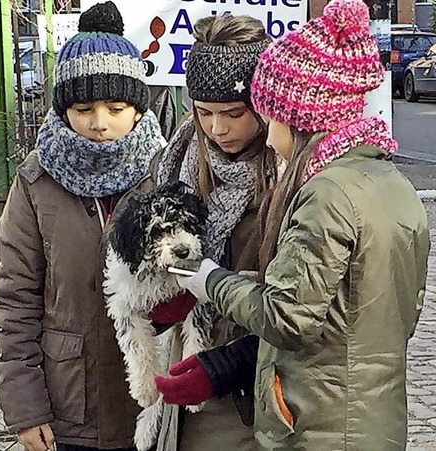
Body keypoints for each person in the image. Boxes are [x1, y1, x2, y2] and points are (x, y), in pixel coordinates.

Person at [172, 0, 430, 449]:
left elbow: (287, 318)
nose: (270, 138)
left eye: (271, 119)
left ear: (305, 121)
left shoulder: (327, 193)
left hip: (323, 423)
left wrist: (210, 280)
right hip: (367, 414)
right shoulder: (388, 180)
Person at [0, 2, 166, 451]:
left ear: (137, 107)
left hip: (158, 403)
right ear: (64, 110)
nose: (100, 123)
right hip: (70, 409)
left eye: (116, 106)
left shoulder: (166, 172)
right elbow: (15, 299)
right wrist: (26, 409)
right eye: (84, 107)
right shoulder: (36, 181)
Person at [146, 13, 277, 451]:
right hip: (181, 378)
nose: (218, 128)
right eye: (204, 112)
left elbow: (301, 306)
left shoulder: (289, 174)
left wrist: (226, 366)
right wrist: (156, 299)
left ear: (263, 105)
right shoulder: (176, 158)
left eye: (234, 113)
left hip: (256, 394)